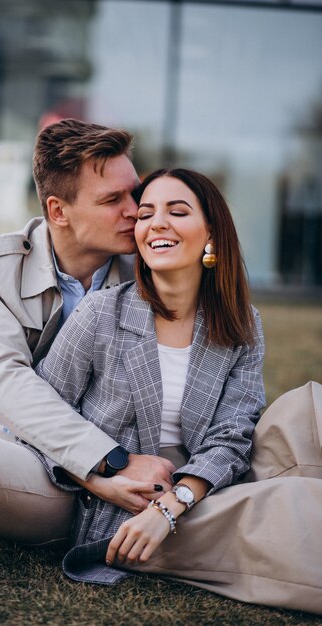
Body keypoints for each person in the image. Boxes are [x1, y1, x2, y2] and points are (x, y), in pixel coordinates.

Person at [36, 168, 322, 614]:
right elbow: (41, 416)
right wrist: (101, 480)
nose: (157, 223)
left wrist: (176, 502)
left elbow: (233, 434)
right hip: (129, 509)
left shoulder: (241, 322)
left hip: (203, 488)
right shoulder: (101, 314)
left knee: (311, 406)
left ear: (212, 234)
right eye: (146, 214)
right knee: (294, 502)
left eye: (178, 211)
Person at [0, 119, 174, 567]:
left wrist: (103, 465)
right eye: (112, 200)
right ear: (58, 211)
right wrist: (111, 460)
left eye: (136, 193)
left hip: (64, 482)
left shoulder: (153, 279)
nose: (136, 211)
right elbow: (3, 380)